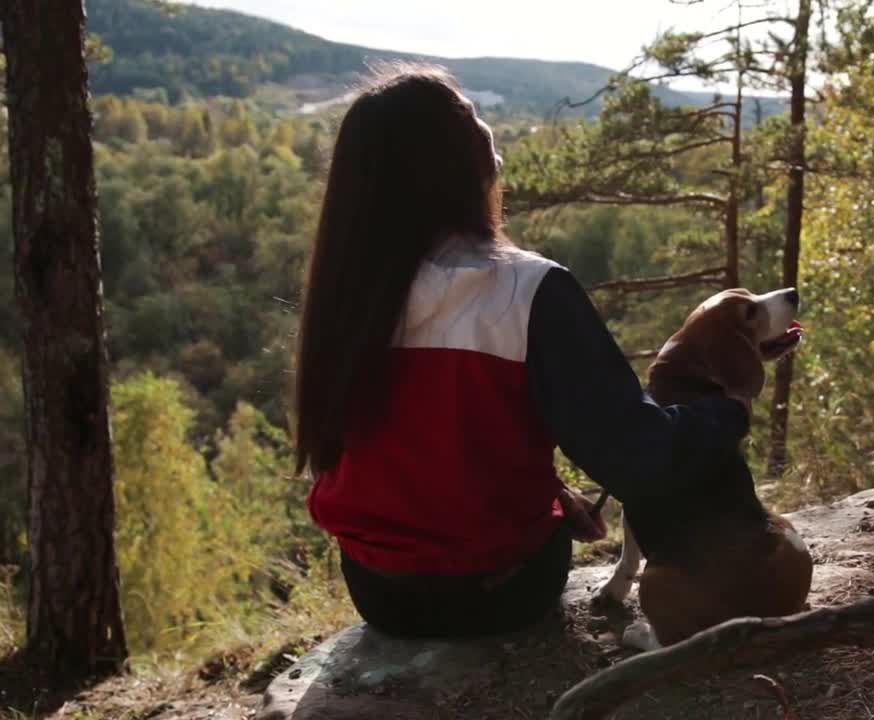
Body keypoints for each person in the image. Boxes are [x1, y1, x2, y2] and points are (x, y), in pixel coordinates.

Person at [292, 64, 750, 639]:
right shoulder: (529, 289)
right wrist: (730, 408)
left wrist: (551, 492)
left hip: (378, 592)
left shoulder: (347, 292)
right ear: (452, 161)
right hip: (503, 590)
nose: (486, 126)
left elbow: (400, 450)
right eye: (471, 115)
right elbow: (638, 456)